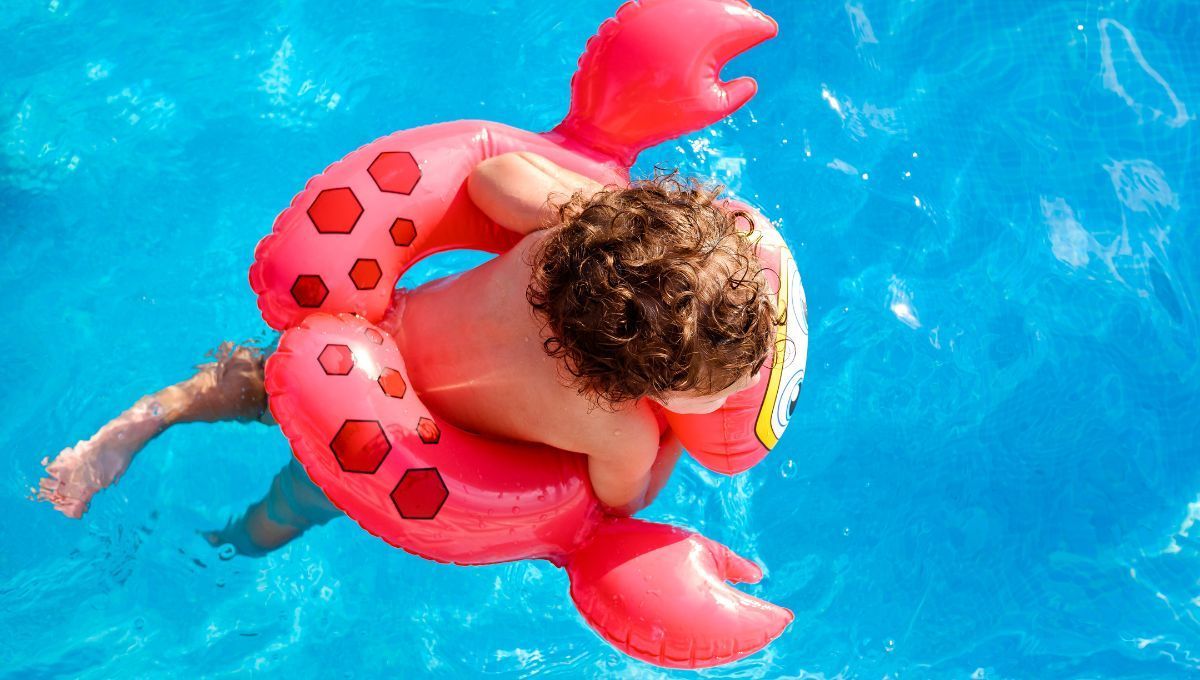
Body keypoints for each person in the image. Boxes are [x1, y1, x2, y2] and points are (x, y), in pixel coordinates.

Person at [37, 152, 778, 555]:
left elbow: (490, 176)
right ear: (648, 384)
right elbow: (621, 499)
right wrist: (676, 439)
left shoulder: (555, 237)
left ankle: (130, 430)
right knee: (297, 503)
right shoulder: (620, 428)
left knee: (245, 383)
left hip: (352, 348)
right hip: (381, 440)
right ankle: (229, 545)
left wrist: (589, 204)